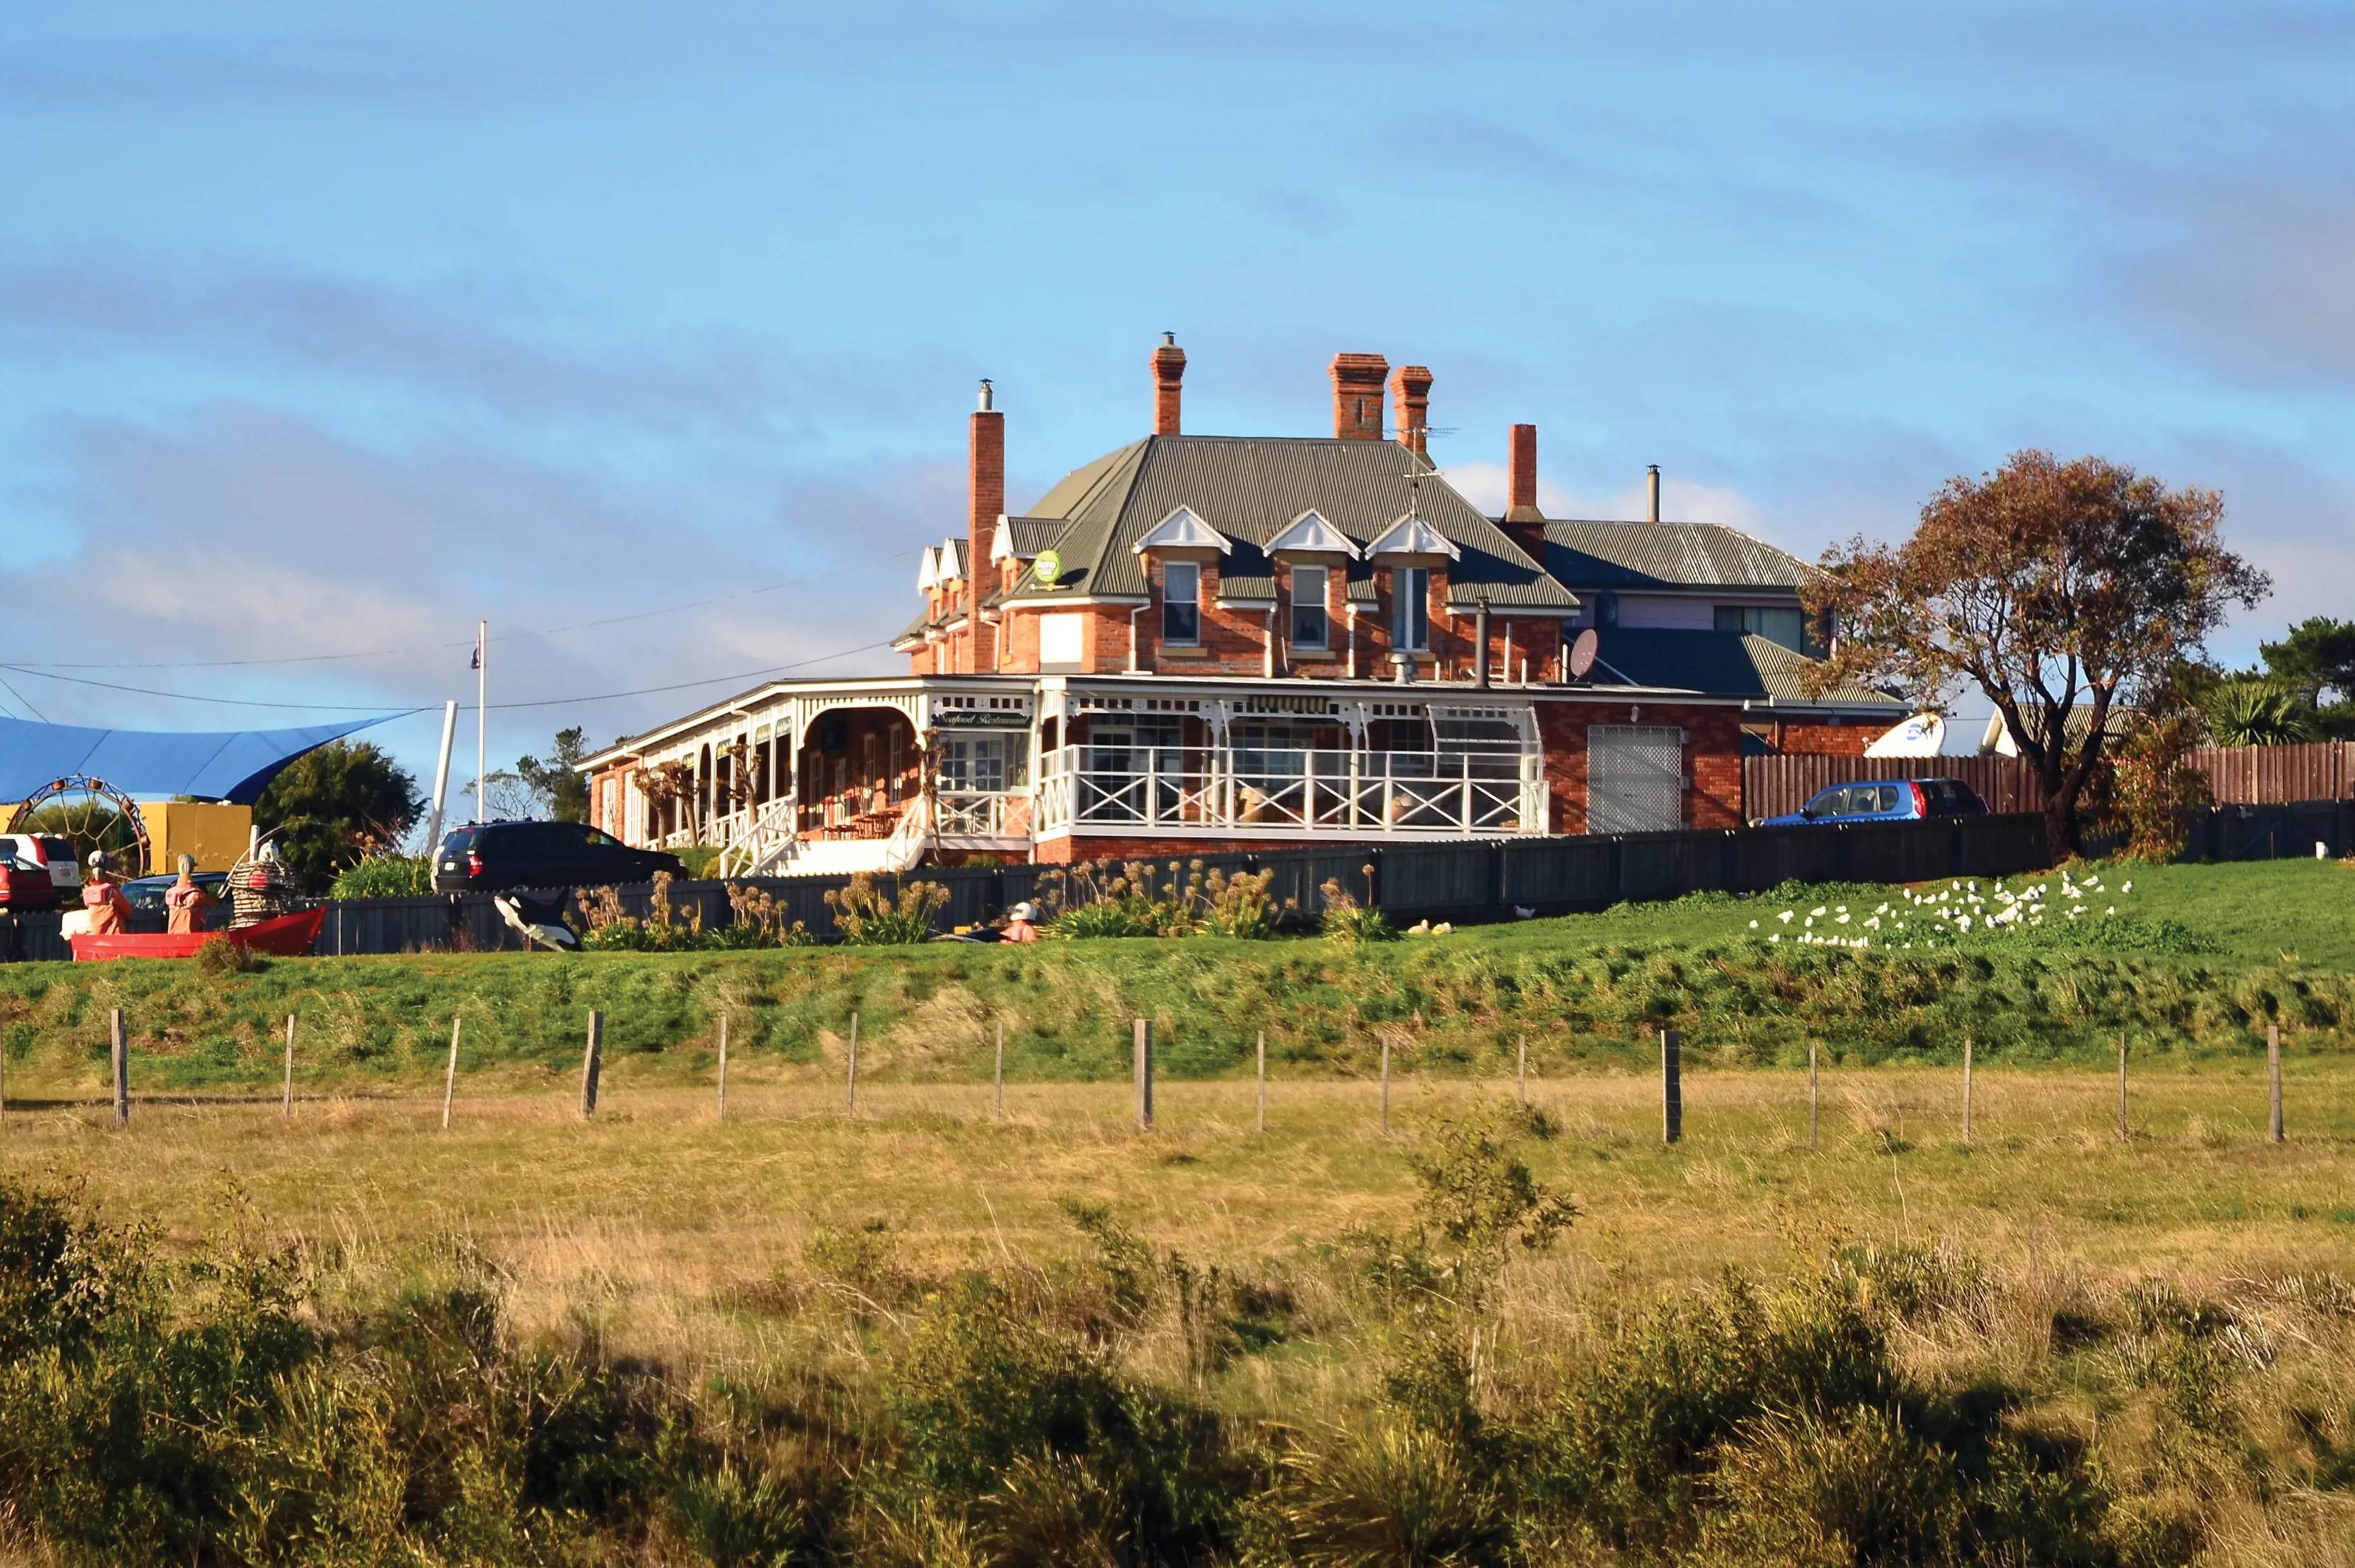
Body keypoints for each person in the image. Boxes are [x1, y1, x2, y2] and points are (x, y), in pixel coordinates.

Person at [164, 853, 216, 936]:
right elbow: (213, 903)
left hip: (173, 938)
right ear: (192, 869)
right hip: (191, 938)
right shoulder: (195, 895)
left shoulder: (170, 893)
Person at [81, 850, 132, 936]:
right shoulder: (111, 891)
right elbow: (128, 911)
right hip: (115, 935)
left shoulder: (87, 892)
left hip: (97, 935)